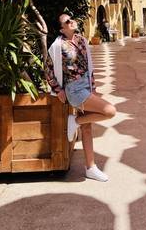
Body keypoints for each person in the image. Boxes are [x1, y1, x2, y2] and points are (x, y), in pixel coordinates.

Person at [45, 14, 116, 182]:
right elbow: (47, 70)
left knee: (87, 127)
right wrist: (58, 89)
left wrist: (93, 88)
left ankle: (91, 167)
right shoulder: (57, 46)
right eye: (67, 22)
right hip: (74, 89)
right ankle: (74, 121)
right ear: (62, 28)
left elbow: (88, 68)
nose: (71, 22)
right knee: (110, 111)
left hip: (86, 87)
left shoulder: (82, 40)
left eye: (71, 19)